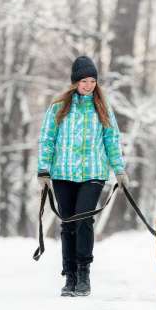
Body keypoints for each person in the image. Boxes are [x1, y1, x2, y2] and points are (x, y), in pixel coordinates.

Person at [37, 55, 129, 297]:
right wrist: (43, 169)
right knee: (67, 223)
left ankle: (84, 273)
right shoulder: (58, 108)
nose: (88, 85)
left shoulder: (102, 108)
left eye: (92, 81)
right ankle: (70, 276)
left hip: (93, 173)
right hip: (63, 173)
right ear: (75, 82)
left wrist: (119, 169)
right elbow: (47, 139)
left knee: (84, 220)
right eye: (84, 80)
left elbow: (112, 140)